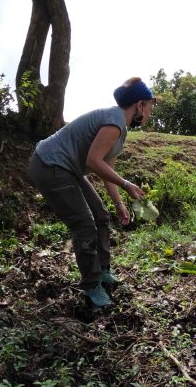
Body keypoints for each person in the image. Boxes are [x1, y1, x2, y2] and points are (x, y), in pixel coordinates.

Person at [28, 77, 154, 307]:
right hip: (50, 164)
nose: (150, 112)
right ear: (139, 105)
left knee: (101, 215)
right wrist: (126, 184)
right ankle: (91, 285)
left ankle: (103, 272)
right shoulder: (114, 121)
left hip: (69, 168)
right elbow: (93, 161)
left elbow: (107, 170)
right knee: (85, 225)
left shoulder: (120, 129)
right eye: (150, 106)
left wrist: (119, 204)